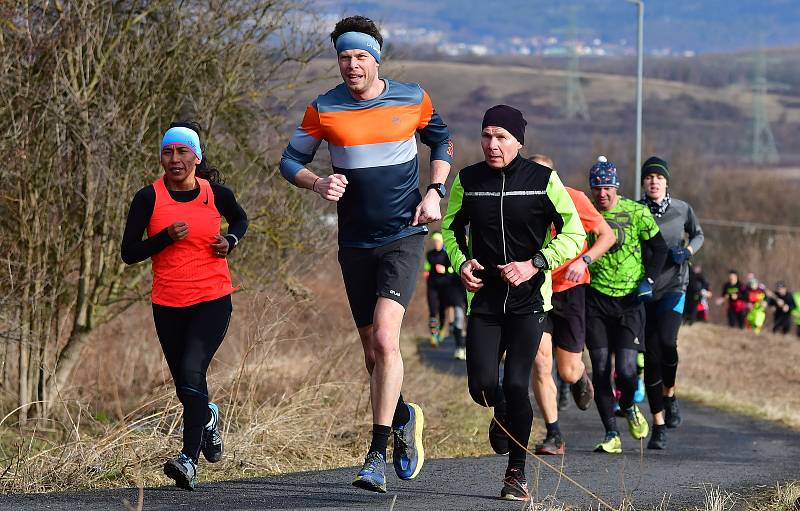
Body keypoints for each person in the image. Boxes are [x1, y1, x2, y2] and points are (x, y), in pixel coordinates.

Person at [278, 16, 453, 493]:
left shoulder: (412, 97)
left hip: (404, 232)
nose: (352, 65)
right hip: (353, 241)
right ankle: (403, 416)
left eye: (360, 56)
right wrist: (317, 182)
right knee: (372, 355)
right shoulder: (324, 109)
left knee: (385, 338)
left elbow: (441, 138)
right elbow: (289, 160)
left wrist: (436, 189)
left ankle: (375, 454)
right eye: (344, 57)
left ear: (376, 58)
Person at [442, 105, 585, 500]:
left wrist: (536, 263)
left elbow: (575, 234)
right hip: (485, 303)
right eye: (486, 135)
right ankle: (501, 412)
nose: (492, 144)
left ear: (519, 141)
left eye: (501, 137)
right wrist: (461, 262)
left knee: (519, 383)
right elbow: (450, 229)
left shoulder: (542, 180)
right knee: (483, 387)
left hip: (528, 302)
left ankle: (516, 475)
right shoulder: (468, 180)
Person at [121, 122, 248, 490]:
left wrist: (231, 240)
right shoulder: (148, 198)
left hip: (212, 299)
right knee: (185, 386)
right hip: (168, 303)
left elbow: (240, 219)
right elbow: (129, 253)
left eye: (182, 152)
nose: (174, 159)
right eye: (167, 152)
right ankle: (207, 417)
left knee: (193, 370)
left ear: (197, 157)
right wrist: (163, 238)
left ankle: (188, 460)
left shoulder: (216, 194)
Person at [525, 154, 616, 456]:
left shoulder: (574, 199)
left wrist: (585, 260)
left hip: (571, 290)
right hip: (538, 290)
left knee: (566, 371)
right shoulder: (521, 202)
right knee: (540, 361)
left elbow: (607, 235)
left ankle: (578, 376)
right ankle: (554, 434)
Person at [584, 156, 668, 455]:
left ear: (616, 187)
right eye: (597, 188)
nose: (602, 193)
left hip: (631, 302)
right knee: (602, 368)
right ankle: (611, 433)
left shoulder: (636, 211)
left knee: (628, 370)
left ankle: (630, 404)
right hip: (596, 300)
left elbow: (659, 248)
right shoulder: (586, 213)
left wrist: (649, 279)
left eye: (607, 187)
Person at [638, 156, 704, 449]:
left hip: (675, 287)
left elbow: (699, 234)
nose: (654, 181)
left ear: (667, 183)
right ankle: (658, 425)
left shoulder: (682, 209)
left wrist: (688, 251)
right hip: (644, 290)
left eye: (659, 177)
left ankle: (670, 394)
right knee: (650, 358)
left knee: (668, 343)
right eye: (649, 177)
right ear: (643, 183)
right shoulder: (636, 210)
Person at [423, 232, 455, 347]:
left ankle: (441, 330)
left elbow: (453, 270)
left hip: (445, 286)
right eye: (435, 241)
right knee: (432, 311)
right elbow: (426, 266)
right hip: (432, 286)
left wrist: (445, 270)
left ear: (442, 242)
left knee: (442, 310)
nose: (436, 243)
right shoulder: (429, 254)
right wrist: (426, 272)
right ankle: (433, 336)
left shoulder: (447, 255)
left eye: (438, 241)